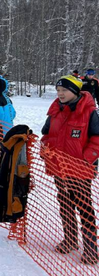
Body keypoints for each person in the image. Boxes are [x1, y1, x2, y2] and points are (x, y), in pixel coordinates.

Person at [41, 75, 99, 265]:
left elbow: (97, 140)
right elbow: (47, 134)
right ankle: (70, 240)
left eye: (64, 90)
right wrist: (46, 149)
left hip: (80, 170)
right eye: (58, 91)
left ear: (74, 91)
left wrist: (85, 160)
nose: (60, 94)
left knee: (84, 206)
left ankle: (91, 248)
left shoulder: (89, 112)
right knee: (65, 203)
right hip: (59, 168)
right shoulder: (55, 110)